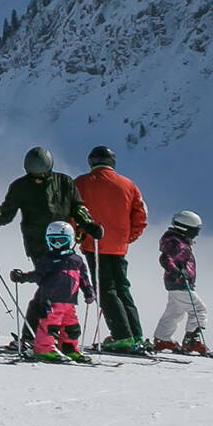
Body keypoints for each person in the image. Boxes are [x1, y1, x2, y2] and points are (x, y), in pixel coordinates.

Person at [0, 147, 102, 260]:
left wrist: (90, 225)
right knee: (48, 281)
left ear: (48, 170)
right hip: (37, 245)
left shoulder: (64, 182)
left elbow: (78, 208)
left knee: (65, 280)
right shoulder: (20, 187)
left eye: (41, 176)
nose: (37, 180)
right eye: (33, 176)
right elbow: (5, 214)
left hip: (63, 241)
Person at [74, 146, 150, 353]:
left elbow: (72, 212)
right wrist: (127, 238)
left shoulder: (81, 183)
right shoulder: (128, 184)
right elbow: (141, 216)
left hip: (94, 244)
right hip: (118, 246)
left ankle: (121, 336)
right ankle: (135, 334)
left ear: (91, 162)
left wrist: (78, 234)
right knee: (122, 289)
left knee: (105, 290)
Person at [10, 221, 96, 363]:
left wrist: (88, 291)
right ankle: (44, 349)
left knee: (72, 328)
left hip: (69, 303)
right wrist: (23, 277)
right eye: (52, 240)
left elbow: (83, 279)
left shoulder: (76, 260)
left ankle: (69, 349)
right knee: (50, 325)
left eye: (61, 240)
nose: (56, 244)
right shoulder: (47, 259)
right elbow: (37, 275)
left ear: (69, 239)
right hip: (51, 300)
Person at [152, 210, 211, 355]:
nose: (197, 234)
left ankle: (162, 338)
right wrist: (177, 272)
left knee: (175, 312)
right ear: (187, 228)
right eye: (195, 231)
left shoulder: (178, 241)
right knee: (199, 310)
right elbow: (165, 259)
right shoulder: (176, 243)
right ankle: (191, 341)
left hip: (177, 283)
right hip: (179, 283)